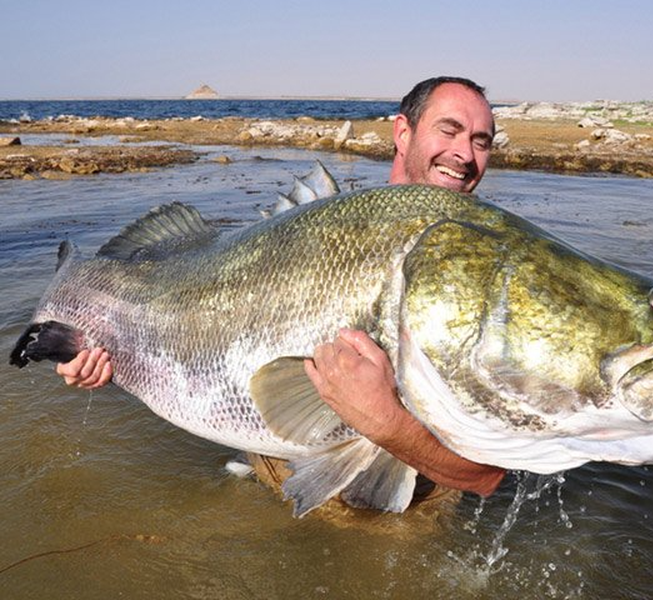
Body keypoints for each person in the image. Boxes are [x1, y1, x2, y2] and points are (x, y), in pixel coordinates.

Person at [57, 76, 507, 498]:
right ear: (403, 133)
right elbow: (201, 346)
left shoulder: (485, 262)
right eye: (449, 131)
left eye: (481, 141)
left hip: (420, 488)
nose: (464, 154)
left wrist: (388, 424)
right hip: (275, 464)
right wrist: (97, 353)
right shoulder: (329, 226)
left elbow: (486, 476)